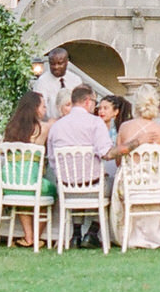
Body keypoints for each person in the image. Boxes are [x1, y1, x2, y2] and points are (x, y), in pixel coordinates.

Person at [47, 85, 137, 248]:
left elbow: (52, 159)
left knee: (84, 185)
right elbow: (107, 154)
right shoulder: (95, 123)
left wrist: (66, 177)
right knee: (113, 184)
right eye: (95, 102)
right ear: (88, 101)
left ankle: (75, 235)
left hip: (66, 186)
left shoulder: (56, 126)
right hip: (94, 186)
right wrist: (132, 144)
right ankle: (92, 232)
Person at [113, 89, 160, 250]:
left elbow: (118, 160)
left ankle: (129, 234)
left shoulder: (124, 127)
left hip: (132, 182)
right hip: (155, 183)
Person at [0, 91, 54, 247]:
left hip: (9, 184)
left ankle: (28, 237)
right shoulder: (43, 128)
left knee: (23, 191)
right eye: (43, 106)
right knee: (48, 190)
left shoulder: (11, 128)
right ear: (35, 108)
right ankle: (35, 237)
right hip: (32, 183)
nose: (45, 110)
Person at [32, 47, 71, 120]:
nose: (56, 67)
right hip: (50, 125)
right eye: (52, 64)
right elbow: (38, 109)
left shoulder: (75, 80)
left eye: (60, 63)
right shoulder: (42, 82)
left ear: (67, 62)